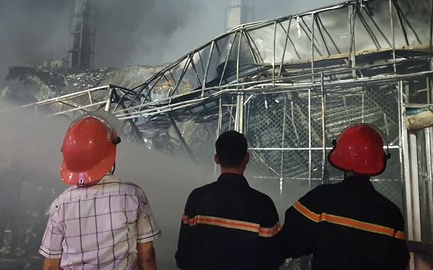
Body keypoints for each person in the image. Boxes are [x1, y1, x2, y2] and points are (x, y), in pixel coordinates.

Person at [277, 123, 409, 269]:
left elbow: (291, 241)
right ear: (381, 159)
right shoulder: (391, 214)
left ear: (340, 154)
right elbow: (399, 261)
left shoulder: (322, 198)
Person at [39, 114, 161, 270]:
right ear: (111, 153)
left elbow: (50, 265)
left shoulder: (61, 204)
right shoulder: (133, 195)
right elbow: (147, 256)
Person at [175, 130, 281, 270]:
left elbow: (183, 253)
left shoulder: (197, 197)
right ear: (247, 158)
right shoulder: (264, 204)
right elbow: (272, 258)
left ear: (217, 159)